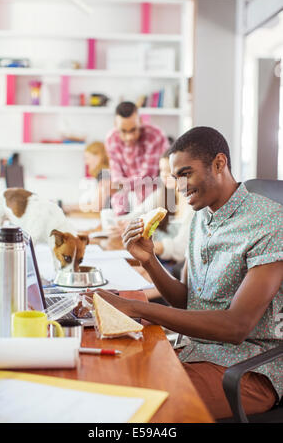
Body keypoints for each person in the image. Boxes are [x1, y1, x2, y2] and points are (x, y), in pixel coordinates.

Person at [93, 126, 283, 420]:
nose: (179, 186)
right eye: (175, 177)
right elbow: (189, 303)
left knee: (139, 405)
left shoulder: (270, 222)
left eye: (186, 173)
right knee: (115, 377)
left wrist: (135, 307)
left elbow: (236, 327)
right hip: (197, 353)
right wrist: (150, 261)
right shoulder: (201, 217)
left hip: (250, 369)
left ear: (219, 164)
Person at [105, 101, 169, 216]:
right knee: (116, 213)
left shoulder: (155, 135)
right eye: (123, 131)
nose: (129, 137)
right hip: (127, 193)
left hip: (155, 192)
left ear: (140, 121)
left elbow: (148, 177)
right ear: (115, 125)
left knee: (147, 191)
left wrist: (120, 185)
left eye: (133, 130)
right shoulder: (111, 139)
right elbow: (116, 177)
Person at [79, 141, 113, 212]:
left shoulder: (105, 174)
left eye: (87, 158)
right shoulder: (107, 173)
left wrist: (69, 207)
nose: (86, 162)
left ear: (98, 156)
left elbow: (97, 206)